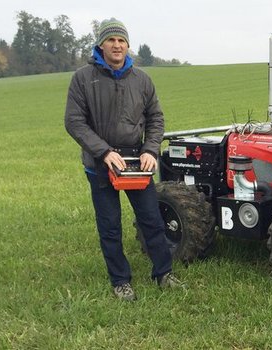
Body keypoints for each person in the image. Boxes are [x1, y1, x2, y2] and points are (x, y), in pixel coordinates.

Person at [64, 18, 184, 301]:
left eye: (121, 40)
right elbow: (74, 121)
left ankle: (164, 273)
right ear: (101, 45)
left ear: (128, 45)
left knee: (152, 220)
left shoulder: (142, 79)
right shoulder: (83, 78)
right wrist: (104, 152)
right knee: (110, 226)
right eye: (111, 40)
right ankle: (120, 281)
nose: (117, 45)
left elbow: (156, 118)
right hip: (100, 165)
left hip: (136, 164)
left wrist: (150, 149)